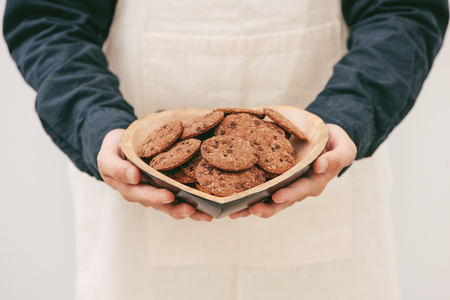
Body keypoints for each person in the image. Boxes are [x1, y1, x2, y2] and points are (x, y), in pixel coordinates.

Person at [3, 0, 448, 299]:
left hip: (328, 176)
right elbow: (47, 16)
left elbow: (403, 8)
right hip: (138, 195)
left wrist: (351, 113)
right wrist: (96, 123)